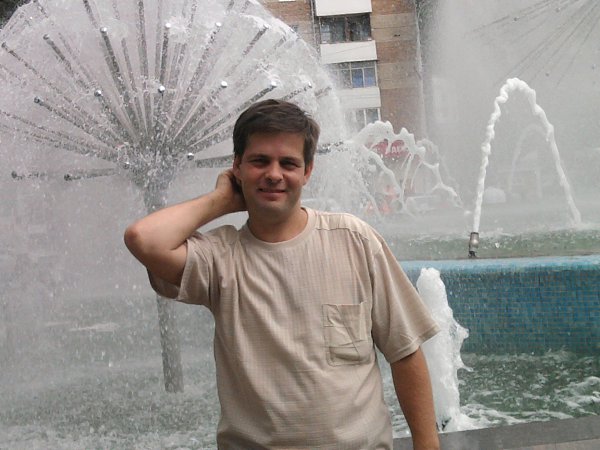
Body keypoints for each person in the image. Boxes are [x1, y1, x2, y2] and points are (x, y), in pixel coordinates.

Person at [124, 99, 441, 450]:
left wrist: (427, 446)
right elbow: (143, 239)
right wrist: (221, 200)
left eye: (288, 163)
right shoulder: (219, 258)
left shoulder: (355, 240)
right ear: (237, 167)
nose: (274, 174)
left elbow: (404, 351)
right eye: (259, 161)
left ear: (307, 171)